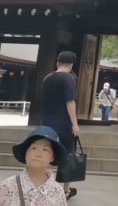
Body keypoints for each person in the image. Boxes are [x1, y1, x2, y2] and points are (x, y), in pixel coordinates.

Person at [0, 126, 68, 206]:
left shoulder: (57, 192)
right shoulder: (8, 186)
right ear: (25, 153)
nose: (38, 154)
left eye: (45, 149)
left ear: (52, 157)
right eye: (34, 148)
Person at [40, 50, 79, 200]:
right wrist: (75, 124)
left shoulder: (47, 78)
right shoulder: (68, 78)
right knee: (67, 156)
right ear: (71, 65)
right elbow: (70, 102)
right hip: (63, 125)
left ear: (57, 63)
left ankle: (41, 185)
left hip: (46, 123)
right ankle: (66, 190)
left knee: (45, 154)